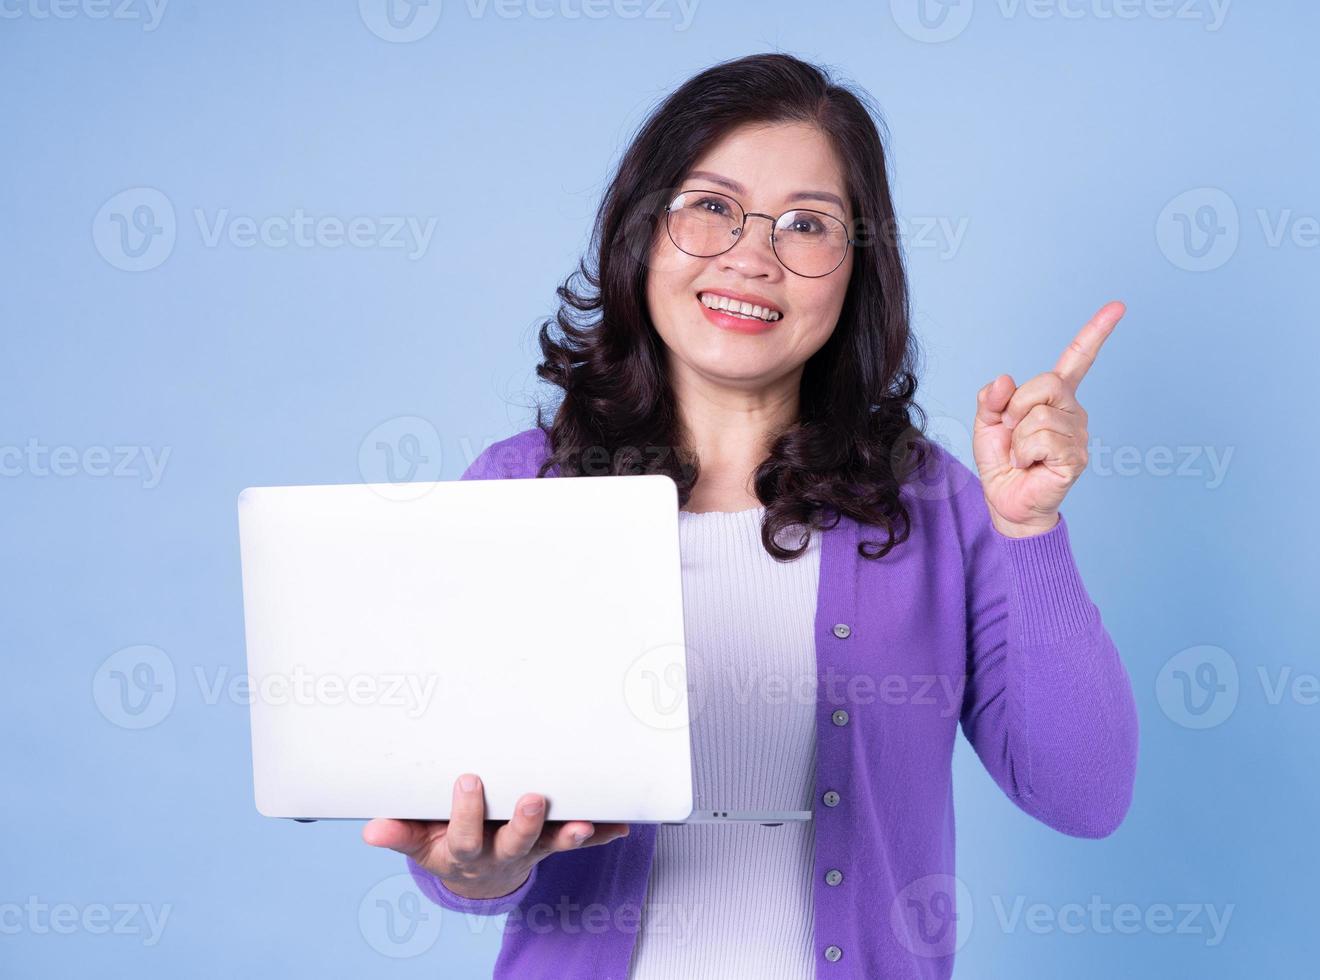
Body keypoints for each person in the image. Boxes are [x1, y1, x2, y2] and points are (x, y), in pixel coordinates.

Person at [363, 51, 1138, 979]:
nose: (750, 256)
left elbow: (1084, 794)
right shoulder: (520, 490)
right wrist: (476, 869)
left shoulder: (935, 504)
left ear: (858, 269)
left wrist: (1030, 535)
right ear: (643, 231)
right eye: (711, 207)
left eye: (807, 224)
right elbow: (462, 848)